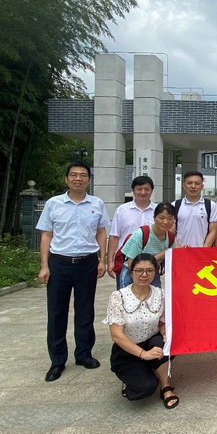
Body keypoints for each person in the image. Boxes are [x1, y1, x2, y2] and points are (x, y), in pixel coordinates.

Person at [36, 162, 110, 382]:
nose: (78, 178)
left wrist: (102, 260)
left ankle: (84, 354)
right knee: (57, 313)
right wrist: (44, 265)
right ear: (66, 178)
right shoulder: (54, 203)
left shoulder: (96, 203)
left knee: (85, 310)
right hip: (59, 263)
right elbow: (46, 235)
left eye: (83, 175)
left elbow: (101, 232)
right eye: (74, 175)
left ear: (89, 179)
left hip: (87, 263)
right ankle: (57, 361)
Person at [103, 253, 178, 409]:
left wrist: (165, 333)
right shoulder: (118, 297)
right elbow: (116, 335)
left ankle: (165, 386)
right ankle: (132, 377)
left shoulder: (160, 294)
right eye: (139, 270)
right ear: (131, 272)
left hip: (151, 342)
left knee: (162, 343)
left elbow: (161, 322)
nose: (144, 275)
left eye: (150, 270)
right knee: (146, 387)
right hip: (127, 350)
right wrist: (143, 354)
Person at [107, 176, 157, 281]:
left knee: (152, 291)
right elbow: (114, 236)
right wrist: (110, 261)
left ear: (152, 190)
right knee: (125, 290)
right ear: (133, 190)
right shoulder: (122, 210)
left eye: (147, 189)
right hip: (125, 260)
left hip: (151, 261)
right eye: (139, 189)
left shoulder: (158, 211)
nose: (143, 192)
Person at [119, 203, 178, 288]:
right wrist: (159, 256)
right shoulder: (141, 234)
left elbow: (175, 258)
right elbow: (131, 264)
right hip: (132, 275)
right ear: (154, 218)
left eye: (170, 218)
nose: (166, 222)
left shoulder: (170, 237)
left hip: (153, 275)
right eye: (161, 218)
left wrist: (186, 249)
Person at [173, 171, 217, 247]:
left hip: (202, 251)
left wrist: (203, 250)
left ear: (202, 186)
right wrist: (179, 248)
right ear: (184, 186)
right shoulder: (175, 205)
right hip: (180, 250)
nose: (193, 186)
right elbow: (170, 231)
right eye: (189, 183)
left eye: (197, 183)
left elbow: (213, 231)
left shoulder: (211, 205)